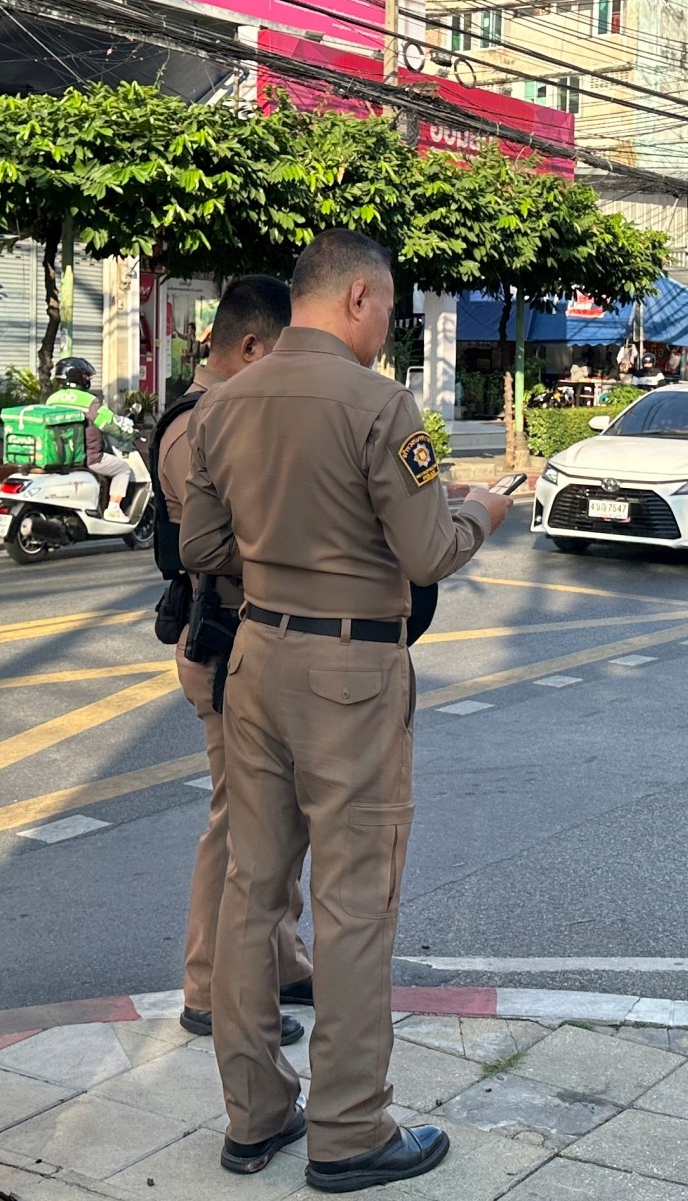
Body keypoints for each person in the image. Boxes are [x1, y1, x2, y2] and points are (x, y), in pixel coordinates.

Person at [179, 230, 511, 1189]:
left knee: (254, 890)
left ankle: (255, 1116)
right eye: (390, 308)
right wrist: (481, 508)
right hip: (351, 672)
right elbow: (426, 554)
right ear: (360, 297)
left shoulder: (224, 403)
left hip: (255, 657)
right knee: (353, 906)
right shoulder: (380, 404)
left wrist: (284, 552)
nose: (388, 327)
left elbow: (202, 540)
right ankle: (350, 1129)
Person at [154, 276, 314, 1046]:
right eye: (282, 357)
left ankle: (278, 958)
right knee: (239, 824)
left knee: (275, 819)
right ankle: (210, 988)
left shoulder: (228, 412)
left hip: (245, 640)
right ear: (250, 347)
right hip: (223, 641)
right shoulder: (203, 423)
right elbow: (234, 544)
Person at [44, 357, 136, 516]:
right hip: (89, 458)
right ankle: (113, 509)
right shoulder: (89, 400)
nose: (87, 379)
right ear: (76, 377)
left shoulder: (52, 399)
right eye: (86, 376)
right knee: (123, 469)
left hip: (59, 456)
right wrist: (130, 433)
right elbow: (109, 424)